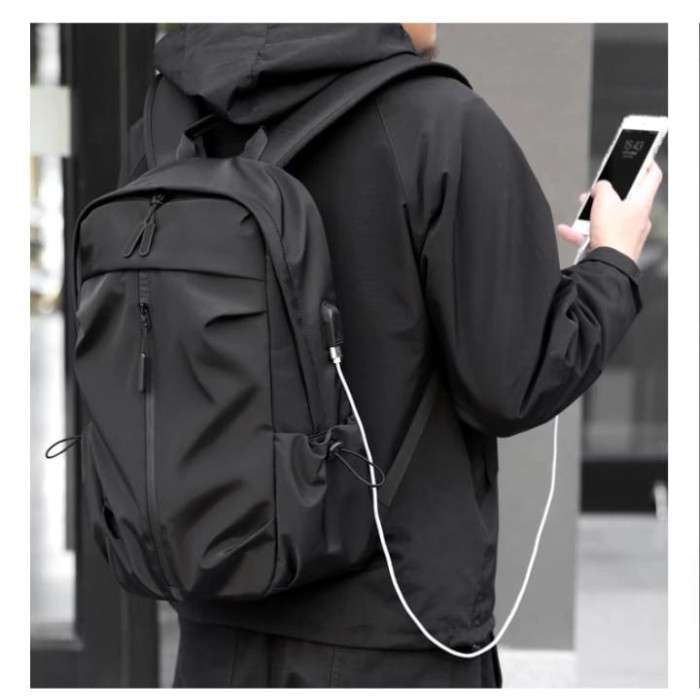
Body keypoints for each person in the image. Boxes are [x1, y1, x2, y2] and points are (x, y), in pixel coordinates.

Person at [131, 23, 663, 688]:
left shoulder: (171, 118)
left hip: (217, 602)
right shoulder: (442, 122)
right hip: (392, 620)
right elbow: (514, 380)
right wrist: (612, 259)